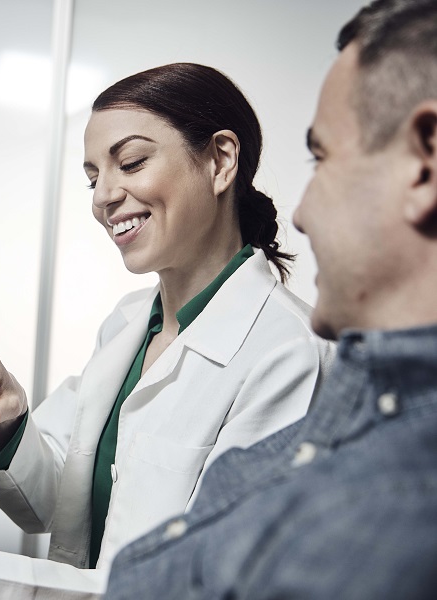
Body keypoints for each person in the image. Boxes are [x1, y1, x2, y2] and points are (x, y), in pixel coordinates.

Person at [0, 62, 334, 596]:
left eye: (130, 162)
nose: (103, 197)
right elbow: (54, 503)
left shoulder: (288, 351)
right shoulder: (129, 323)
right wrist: (9, 422)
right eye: (92, 177)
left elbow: (209, 579)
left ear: (220, 160)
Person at [93, 0, 437, 596]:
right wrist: (6, 426)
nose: (298, 214)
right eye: (93, 177)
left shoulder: (299, 355)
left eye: (321, 158)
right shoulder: (367, 400)